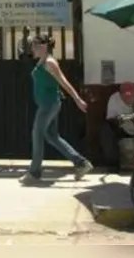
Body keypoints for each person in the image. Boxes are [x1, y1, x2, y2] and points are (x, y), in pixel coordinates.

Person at [20, 34, 93, 185]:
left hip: (49, 104)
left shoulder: (50, 62)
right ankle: (81, 163)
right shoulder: (42, 61)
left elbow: (64, 82)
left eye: (34, 46)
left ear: (43, 47)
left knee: (37, 134)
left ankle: (34, 172)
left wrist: (77, 99)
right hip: (47, 104)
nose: (32, 49)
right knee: (52, 136)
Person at [100, 82, 134, 173]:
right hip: (121, 130)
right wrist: (119, 120)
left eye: (130, 92)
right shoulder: (114, 98)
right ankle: (113, 164)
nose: (128, 94)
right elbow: (110, 119)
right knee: (106, 131)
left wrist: (131, 117)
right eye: (125, 92)